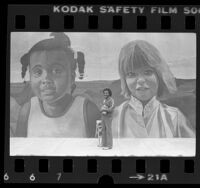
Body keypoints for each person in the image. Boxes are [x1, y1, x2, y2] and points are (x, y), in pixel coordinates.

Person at [14, 32, 100, 137]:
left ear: (72, 77)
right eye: (38, 72)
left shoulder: (87, 111)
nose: (46, 79)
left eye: (56, 71)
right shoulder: (27, 111)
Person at [111, 40, 195, 138]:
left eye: (147, 72)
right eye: (131, 74)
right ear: (124, 79)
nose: (140, 80)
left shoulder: (175, 117)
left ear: (159, 76)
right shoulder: (113, 117)